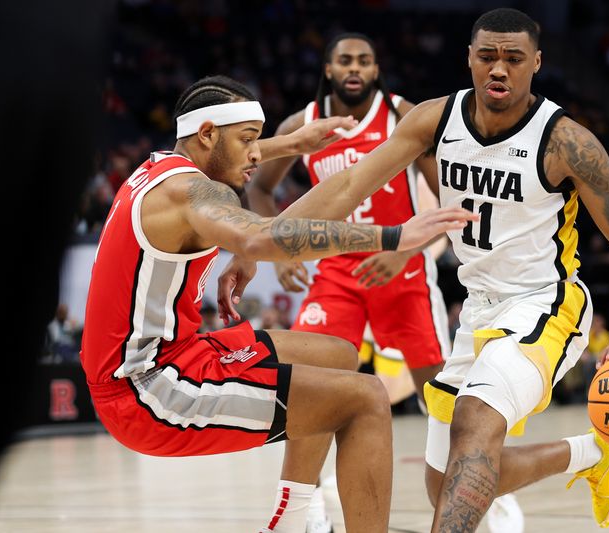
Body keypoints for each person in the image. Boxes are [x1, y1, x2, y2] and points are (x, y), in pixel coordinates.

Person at [264, 8, 609, 532]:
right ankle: (592, 453)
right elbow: (347, 186)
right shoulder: (434, 119)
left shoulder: (566, 142)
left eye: (513, 59)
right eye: (488, 56)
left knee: (474, 424)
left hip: (546, 304)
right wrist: (259, 246)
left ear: (535, 63)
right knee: (443, 483)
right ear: (469, 59)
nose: (499, 69)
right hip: (477, 311)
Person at [79, 75, 476, 533]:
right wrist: (394, 235)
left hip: (176, 355)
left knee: (337, 354)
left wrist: (291, 142)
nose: (255, 152)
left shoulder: (161, 167)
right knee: (366, 399)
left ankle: (292, 521)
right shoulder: (190, 193)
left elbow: (240, 173)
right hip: (147, 391)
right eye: (248, 139)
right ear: (207, 134)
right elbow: (263, 235)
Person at [245, 32, 521, 532]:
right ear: (328, 69)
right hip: (336, 274)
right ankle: (304, 510)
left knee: (440, 395)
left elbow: (450, 192)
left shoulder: (401, 114)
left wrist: (405, 252)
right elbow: (261, 191)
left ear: (376, 69)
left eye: (365, 60)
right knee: (311, 384)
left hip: (403, 271)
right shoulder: (302, 125)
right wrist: (280, 255)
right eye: (346, 60)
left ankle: (488, 498)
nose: (356, 68)